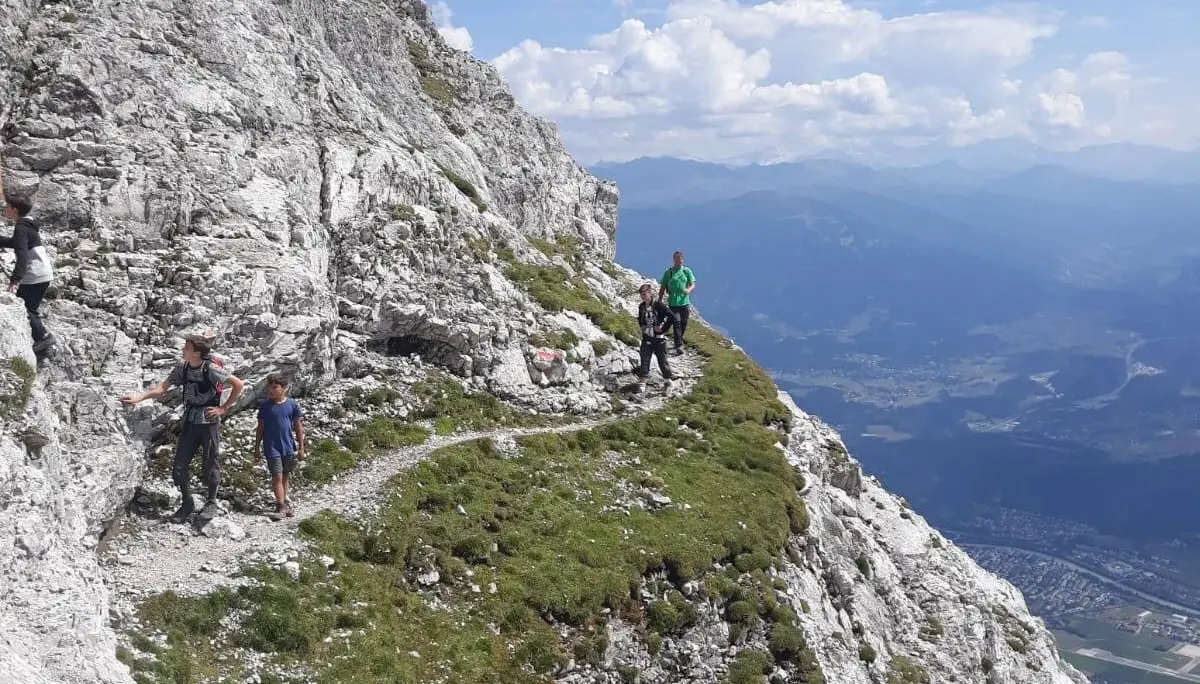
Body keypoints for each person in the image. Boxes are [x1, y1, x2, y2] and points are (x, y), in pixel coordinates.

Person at [119, 334, 245, 523]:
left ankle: (211, 502)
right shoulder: (182, 368)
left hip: (209, 423)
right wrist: (139, 398)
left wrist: (223, 408)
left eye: (187, 347)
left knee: (210, 463)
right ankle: (187, 503)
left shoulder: (210, 368)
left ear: (197, 352)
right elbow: (163, 388)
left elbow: (238, 384)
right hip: (189, 422)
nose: (183, 350)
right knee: (179, 466)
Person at [0, 191, 57, 354]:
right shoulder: (27, 225)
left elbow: (22, 255)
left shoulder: (21, 228)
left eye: (7, 206)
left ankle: (44, 338)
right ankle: (42, 341)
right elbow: (17, 243)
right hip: (43, 273)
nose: (4, 209)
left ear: (14, 210)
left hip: (35, 274)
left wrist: (15, 280)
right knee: (29, 307)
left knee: (25, 308)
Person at [255, 373, 304, 521]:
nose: (271, 390)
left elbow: (298, 426)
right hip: (271, 447)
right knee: (277, 475)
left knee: (285, 476)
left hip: (288, 446)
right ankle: (280, 505)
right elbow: (260, 428)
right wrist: (257, 447)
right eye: (269, 387)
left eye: (275, 387)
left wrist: (301, 448)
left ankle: (284, 503)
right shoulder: (265, 406)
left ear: (284, 388)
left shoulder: (292, 405)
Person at [636, 282, 676, 392]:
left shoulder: (658, 305)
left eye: (645, 294)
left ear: (650, 293)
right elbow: (640, 318)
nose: (643, 297)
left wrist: (662, 328)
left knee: (662, 360)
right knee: (644, 357)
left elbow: (671, 317)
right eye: (642, 295)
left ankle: (668, 381)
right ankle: (642, 382)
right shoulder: (641, 306)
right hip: (647, 337)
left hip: (658, 338)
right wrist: (642, 326)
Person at [657, 250, 696, 355]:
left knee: (683, 323)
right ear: (673, 260)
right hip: (673, 302)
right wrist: (660, 300)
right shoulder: (669, 272)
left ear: (683, 260)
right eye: (676, 260)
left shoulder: (686, 271)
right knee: (677, 322)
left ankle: (676, 338)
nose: (678, 262)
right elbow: (663, 286)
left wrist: (689, 290)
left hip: (684, 302)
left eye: (680, 260)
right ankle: (679, 345)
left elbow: (693, 283)